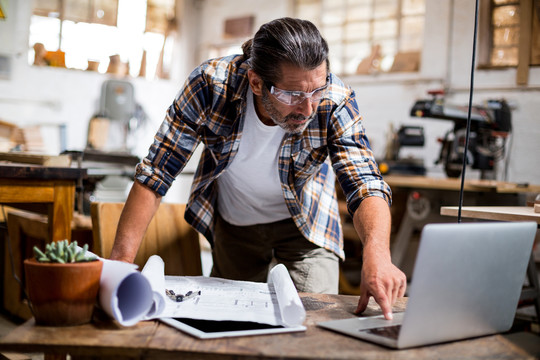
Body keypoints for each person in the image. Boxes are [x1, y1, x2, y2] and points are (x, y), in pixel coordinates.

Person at [110, 17, 406, 320]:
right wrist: (119, 265)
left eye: (316, 91)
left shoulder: (335, 99)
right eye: (292, 96)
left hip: (306, 224)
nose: (307, 109)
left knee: (315, 322)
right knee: (229, 323)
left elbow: (364, 182)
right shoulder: (210, 86)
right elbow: (157, 173)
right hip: (236, 224)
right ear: (255, 82)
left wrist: (378, 253)